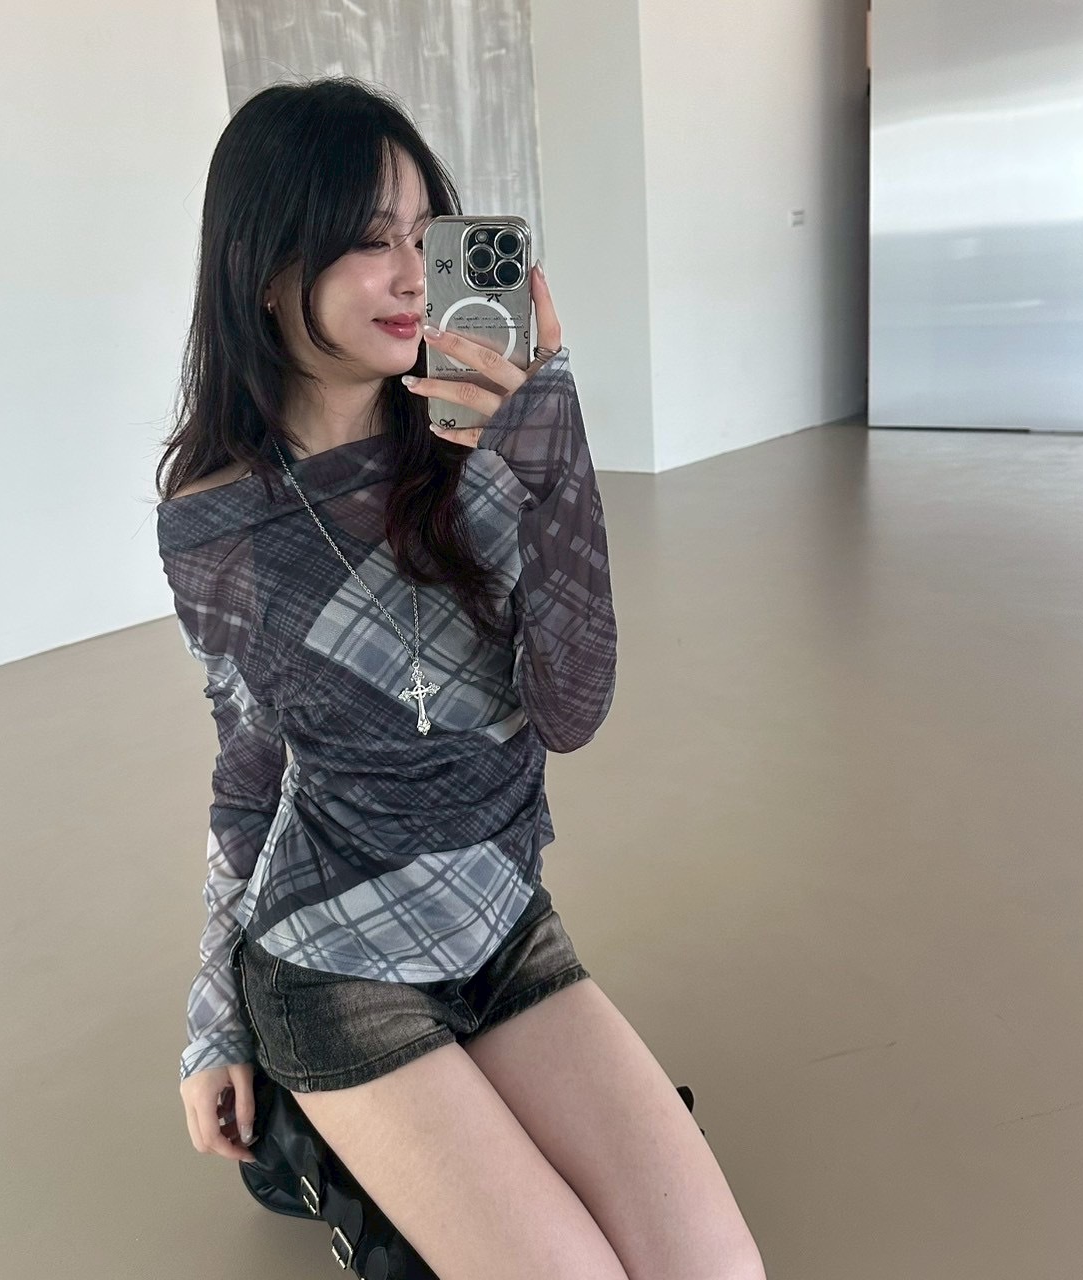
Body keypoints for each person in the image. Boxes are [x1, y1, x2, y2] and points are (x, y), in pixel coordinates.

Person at [155, 76, 765, 1280]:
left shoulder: (481, 449)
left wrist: (556, 466)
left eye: (424, 233)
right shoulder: (213, 520)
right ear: (266, 268)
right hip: (333, 957)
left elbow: (568, 710)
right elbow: (249, 765)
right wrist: (211, 1015)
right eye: (366, 239)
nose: (408, 275)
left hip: (503, 926)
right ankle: (324, 1132)